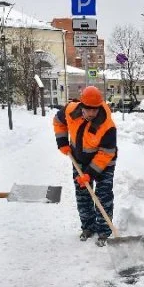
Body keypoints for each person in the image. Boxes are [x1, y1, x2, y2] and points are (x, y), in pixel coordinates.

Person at [53, 86, 117, 247]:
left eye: (94, 110)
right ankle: (88, 227)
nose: (91, 113)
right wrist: (62, 142)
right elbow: (58, 121)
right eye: (88, 109)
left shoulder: (107, 125)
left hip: (104, 163)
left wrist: (90, 173)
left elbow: (106, 152)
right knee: (82, 195)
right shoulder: (71, 110)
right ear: (81, 105)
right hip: (79, 160)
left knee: (103, 196)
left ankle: (104, 230)